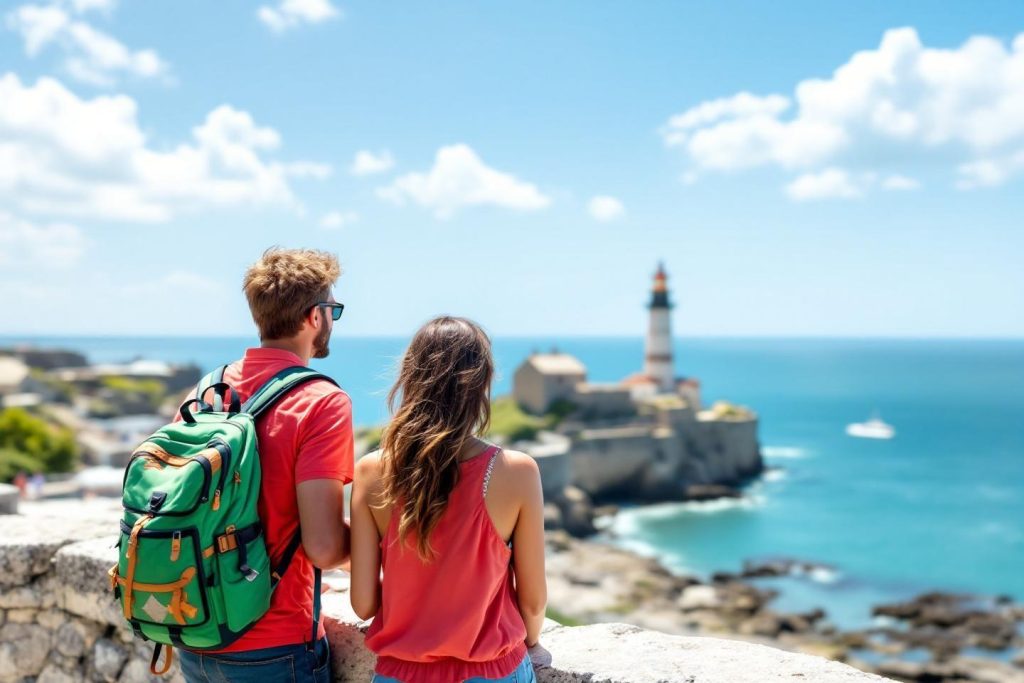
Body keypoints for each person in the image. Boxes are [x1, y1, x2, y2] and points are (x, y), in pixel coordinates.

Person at [178, 247, 354, 683]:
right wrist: (382, 554)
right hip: (274, 643)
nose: (330, 319)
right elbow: (325, 548)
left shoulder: (206, 392)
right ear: (315, 317)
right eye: (331, 309)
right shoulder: (321, 403)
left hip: (197, 630)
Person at [350, 316, 547, 683]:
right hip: (492, 672)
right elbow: (533, 602)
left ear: (409, 379)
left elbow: (363, 605)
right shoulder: (516, 471)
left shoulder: (370, 471)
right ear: (481, 385)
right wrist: (531, 642)